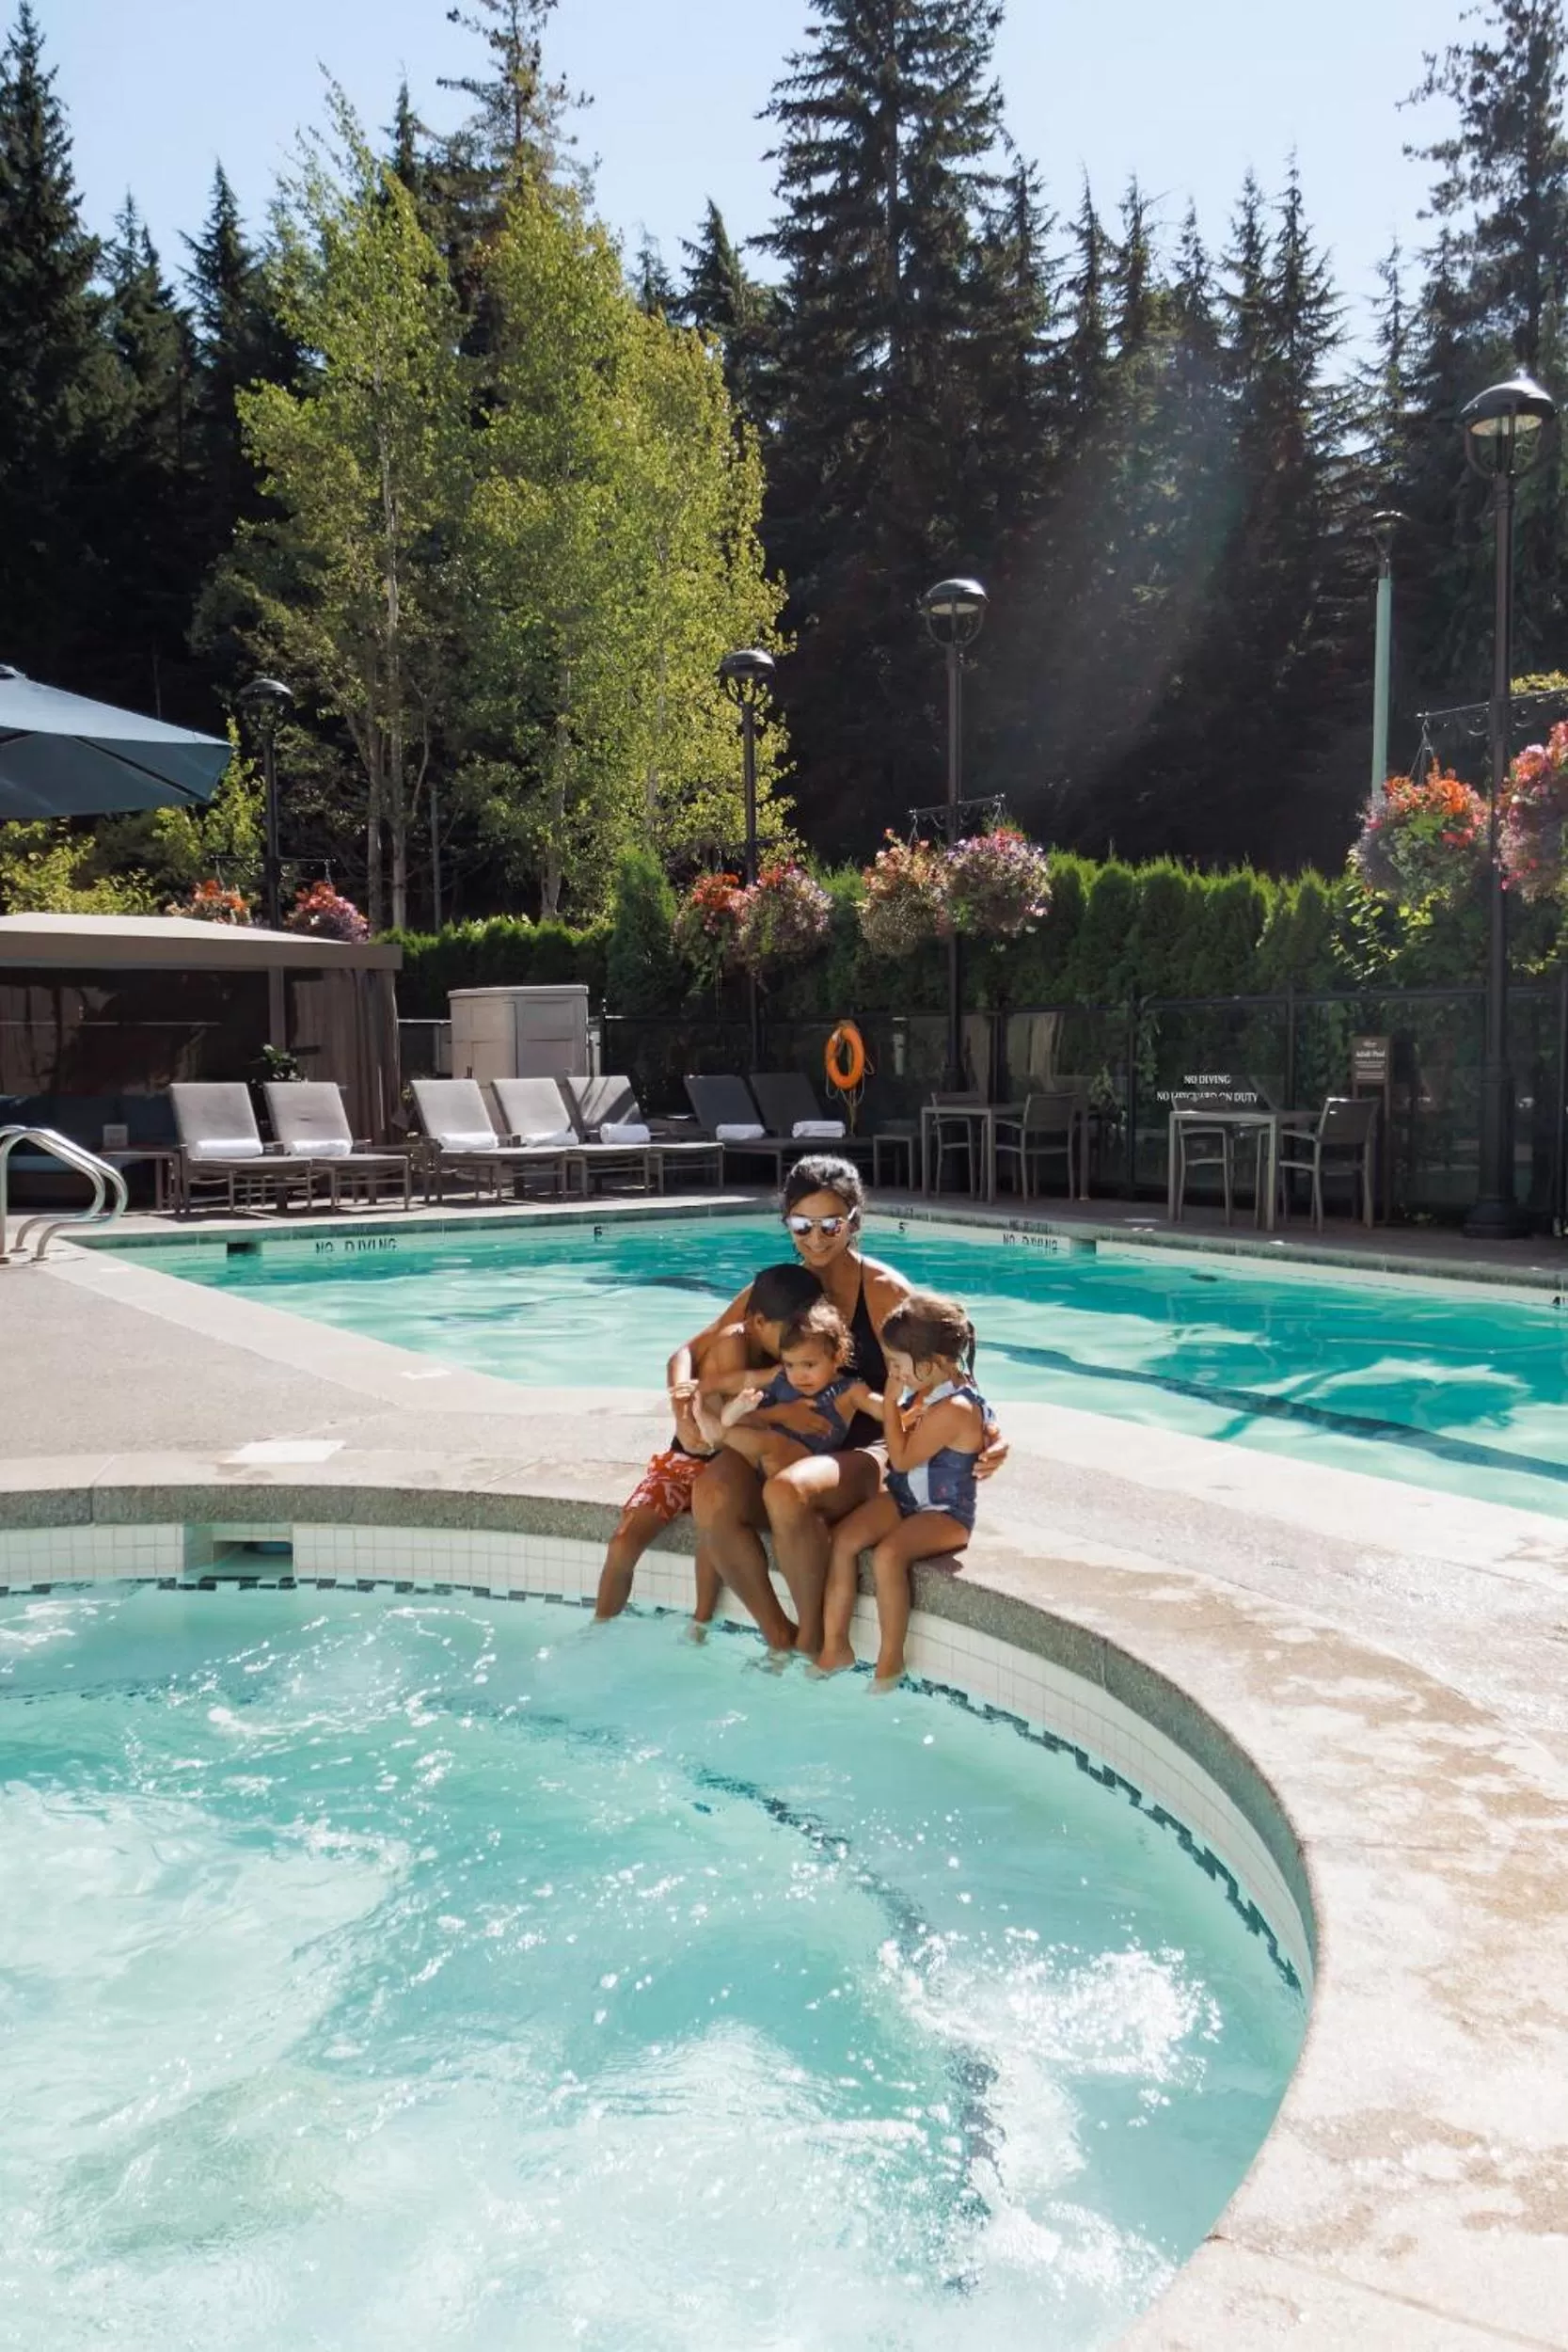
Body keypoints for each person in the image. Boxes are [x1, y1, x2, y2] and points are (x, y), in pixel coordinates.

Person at [681, 1155, 1006, 1657]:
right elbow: (693, 1349)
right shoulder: (779, 1287)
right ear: (787, 1222)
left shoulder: (882, 1291)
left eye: (831, 1223)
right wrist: (685, 1411)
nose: (816, 1238)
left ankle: (814, 1637)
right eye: (801, 1225)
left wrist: (991, 1432)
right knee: (711, 1493)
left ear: (854, 1220)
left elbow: (948, 1370)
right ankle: (778, 1639)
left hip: (871, 1449)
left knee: (790, 1492)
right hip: (792, 1439)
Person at [594, 1261, 823, 1627]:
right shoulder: (733, 1342)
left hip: (730, 1466)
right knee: (623, 1542)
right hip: (689, 1457)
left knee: (714, 1527)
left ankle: (701, 1624)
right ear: (761, 1322)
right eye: (791, 1332)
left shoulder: (788, 1348)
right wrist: (682, 1406)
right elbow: (716, 1401)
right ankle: (600, 1626)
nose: (797, 1339)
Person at [816, 1292, 987, 1690]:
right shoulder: (931, 1388)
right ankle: (835, 1647)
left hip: (946, 1513)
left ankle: (890, 1662)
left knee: (889, 1556)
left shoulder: (956, 1408)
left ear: (936, 1362)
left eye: (897, 1364)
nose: (893, 1372)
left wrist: (891, 1404)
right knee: (842, 1541)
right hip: (908, 1499)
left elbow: (903, 1458)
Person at [702, 1299, 880, 1479]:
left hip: (802, 1463)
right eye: (790, 1364)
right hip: (761, 1458)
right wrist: (702, 1387)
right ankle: (727, 1421)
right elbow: (745, 1379)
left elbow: (877, 1405)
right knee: (745, 1417)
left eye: (809, 1365)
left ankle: (720, 1431)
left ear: (838, 1357)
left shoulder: (849, 1390)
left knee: (773, 1442)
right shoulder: (780, 1375)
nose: (798, 1375)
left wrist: (903, 1415)